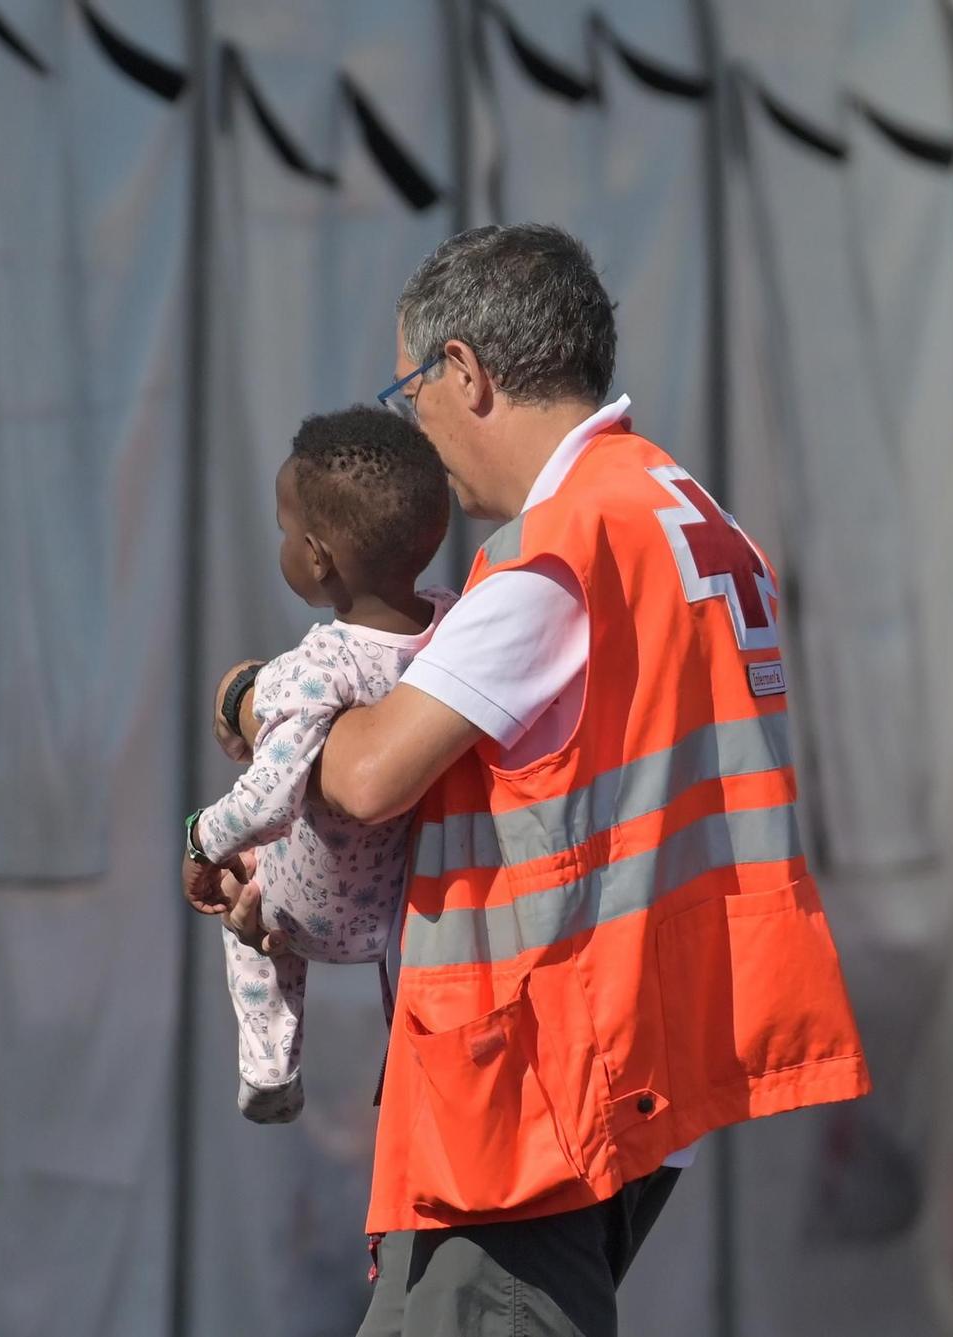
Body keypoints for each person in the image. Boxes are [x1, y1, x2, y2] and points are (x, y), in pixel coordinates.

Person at [264, 223, 868, 1336]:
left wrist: (256, 697)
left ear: (463, 372)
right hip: (622, 1060)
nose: (416, 433)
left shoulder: (558, 551)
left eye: (411, 392)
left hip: (518, 1092)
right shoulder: (688, 517)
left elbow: (362, 775)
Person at [181, 407, 453, 1124]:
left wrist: (202, 839)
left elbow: (268, 798)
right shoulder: (455, 627)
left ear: (318, 555)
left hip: (311, 906)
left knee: (246, 891)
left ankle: (270, 1064)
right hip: (402, 908)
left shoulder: (321, 663)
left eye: (283, 530)